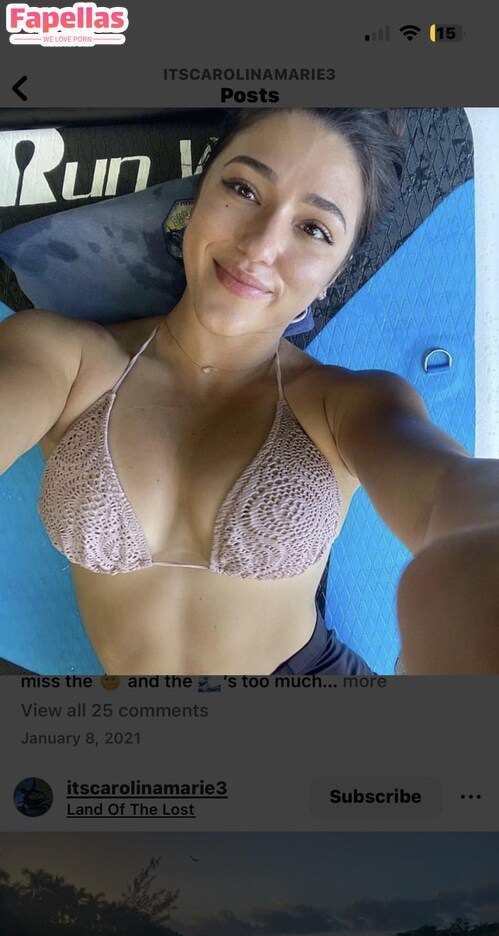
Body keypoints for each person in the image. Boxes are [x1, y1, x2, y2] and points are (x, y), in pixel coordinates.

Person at [0, 107, 498, 675]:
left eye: (314, 229)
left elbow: (445, 490)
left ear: (333, 274)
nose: (261, 246)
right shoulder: (63, 360)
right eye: (243, 189)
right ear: (199, 195)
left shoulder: (347, 405)